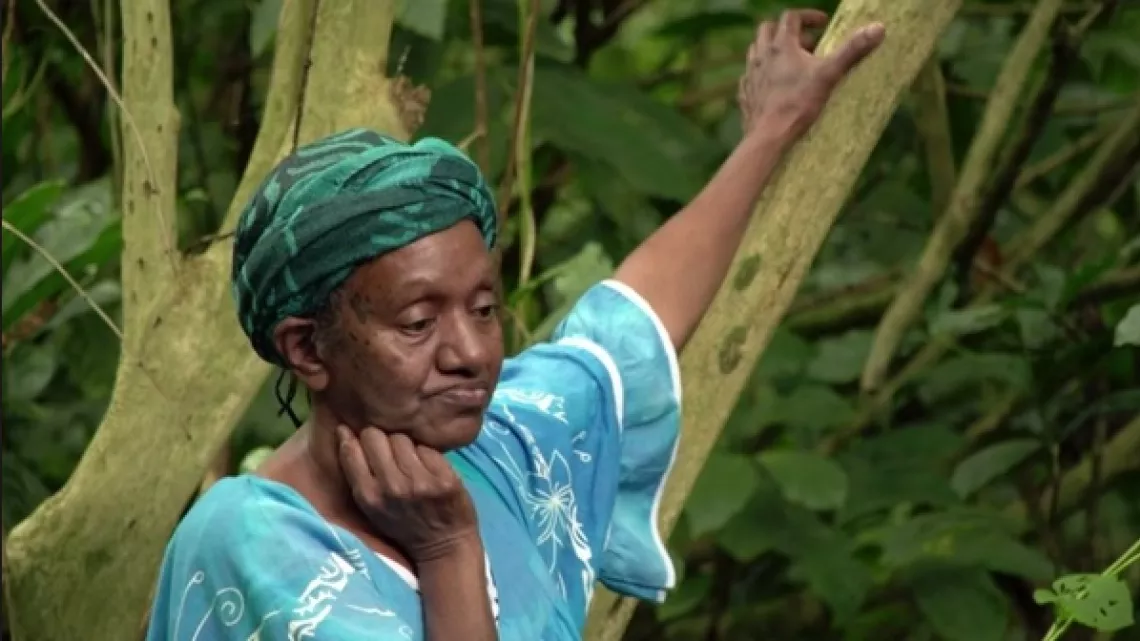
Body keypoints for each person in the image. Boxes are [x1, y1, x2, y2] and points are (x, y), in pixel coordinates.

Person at [145, 9, 885, 641]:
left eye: (483, 308)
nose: (472, 352)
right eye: (418, 322)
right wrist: (448, 550)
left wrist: (771, 130)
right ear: (307, 347)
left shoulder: (504, 448)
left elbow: (630, 322)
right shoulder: (244, 544)